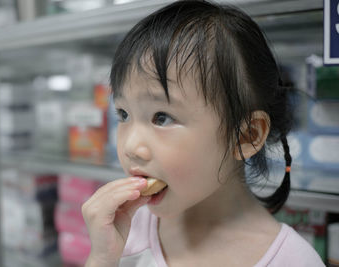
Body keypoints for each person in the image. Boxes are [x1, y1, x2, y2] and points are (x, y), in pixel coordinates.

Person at [82, 1, 325, 266]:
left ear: (246, 136)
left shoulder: (294, 261)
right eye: (123, 114)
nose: (129, 146)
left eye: (161, 117)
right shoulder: (123, 230)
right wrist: (102, 259)